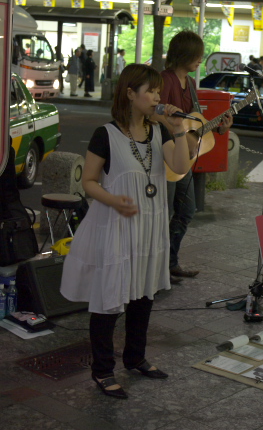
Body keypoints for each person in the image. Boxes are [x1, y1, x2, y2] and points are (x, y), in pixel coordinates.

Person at [60, 63, 190, 399]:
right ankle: (102, 370)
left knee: (144, 295)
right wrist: (114, 200)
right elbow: (88, 182)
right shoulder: (106, 134)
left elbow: (179, 167)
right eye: (151, 91)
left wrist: (177, 129)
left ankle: (136, 357)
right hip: (116, 225)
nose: (157, 97)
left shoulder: (158, 132)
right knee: (108, 299)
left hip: (149, 225)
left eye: (159, 91)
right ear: (130, 94)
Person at [153, 30, 233, 284]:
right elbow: (156, 113)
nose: (200, 60)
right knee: (162, 213)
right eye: (197, 55)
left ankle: (170, 262)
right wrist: (179, 134)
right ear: (184, 54)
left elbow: (196, 122)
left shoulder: (191, 85)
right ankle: (156, 269)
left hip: (182, 159)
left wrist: (220, 126)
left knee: (187, 210)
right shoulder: (164, 80)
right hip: (164, 155)